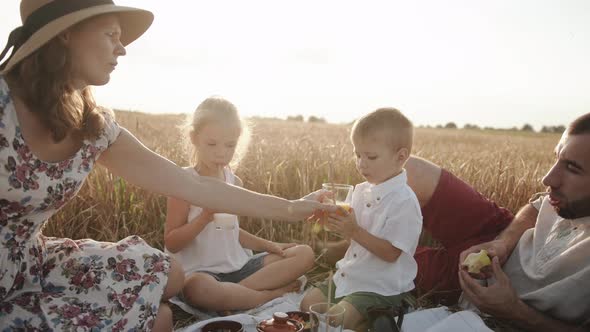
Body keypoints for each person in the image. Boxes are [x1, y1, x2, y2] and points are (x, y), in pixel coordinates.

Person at [0, 1, 333, 331]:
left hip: (31, 261)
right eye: (112, 35)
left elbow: (198, 188)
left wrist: (294, 207)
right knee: (158, 318)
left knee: (167, 285)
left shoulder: (92, 127)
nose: (122, 49)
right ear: (65, 34)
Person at [324, 113, 590, 331]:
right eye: (557, 159)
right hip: (498, 240)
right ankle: (339, 248)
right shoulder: (560, 197)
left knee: (394, 261)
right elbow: (537, 205)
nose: (548, 178)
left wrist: (513, 310)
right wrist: (502, 244)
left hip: (486, 295)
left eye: (573, 168)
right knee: (403, 171)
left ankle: (338, 250)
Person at [165, 97, 315, 311]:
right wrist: (205, 216)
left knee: (304, 253)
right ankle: (270, 295)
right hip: (201, 273)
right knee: (197, 289)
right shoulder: (184, 184)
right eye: (212, 144)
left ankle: (237, 295)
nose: (221, 152)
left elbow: (230, 232)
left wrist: (269, 245)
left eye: (230, 145)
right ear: (194, 138)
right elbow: (172, 243)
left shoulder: (233, 182)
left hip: (239, 267)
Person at [300, 108, 423, 331]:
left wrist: (354, 231)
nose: (361, 163)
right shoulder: (359, 191)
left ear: (401, 157)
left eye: (371, 157)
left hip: (380, 287)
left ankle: (387, 313)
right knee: (308, 305)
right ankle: (363, 317)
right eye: (358, 155)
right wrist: (332, 223)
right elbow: (352, 238)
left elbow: (391, 254)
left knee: (335, 321)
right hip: (350, 276)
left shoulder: (404, 202)